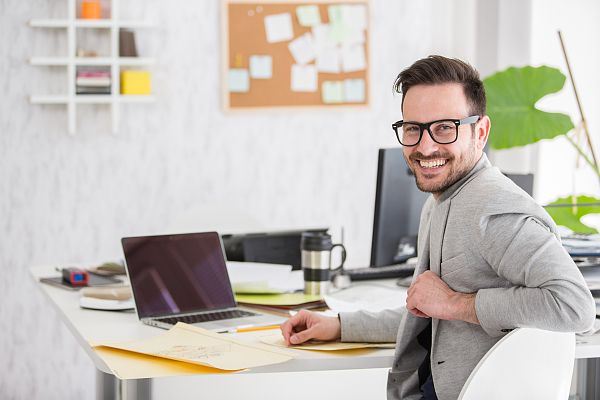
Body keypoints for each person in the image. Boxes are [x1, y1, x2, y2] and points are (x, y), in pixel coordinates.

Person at [281, 55, 596, 400]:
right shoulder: (442, 200)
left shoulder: (495, 208)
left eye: (445, 127)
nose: (425, 146)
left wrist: (454, 304)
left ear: (480, 132)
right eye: (413, 128)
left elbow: (574, 306)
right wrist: (341, 325)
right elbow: (430, 315)